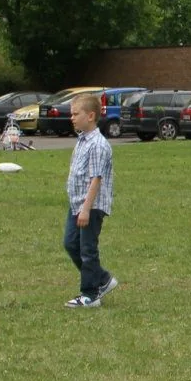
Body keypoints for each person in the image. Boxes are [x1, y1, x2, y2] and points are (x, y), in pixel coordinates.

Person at [63, 92, 117, 307]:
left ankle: (90, 294)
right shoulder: (82, 140)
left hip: (90, 205)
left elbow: (96, 178)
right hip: (77, 203)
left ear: (91, 115)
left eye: (76, 114)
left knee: (87, 249)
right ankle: (102, 279)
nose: (72, 118)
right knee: (70, 243)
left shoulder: (98, 144)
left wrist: (86, 209)